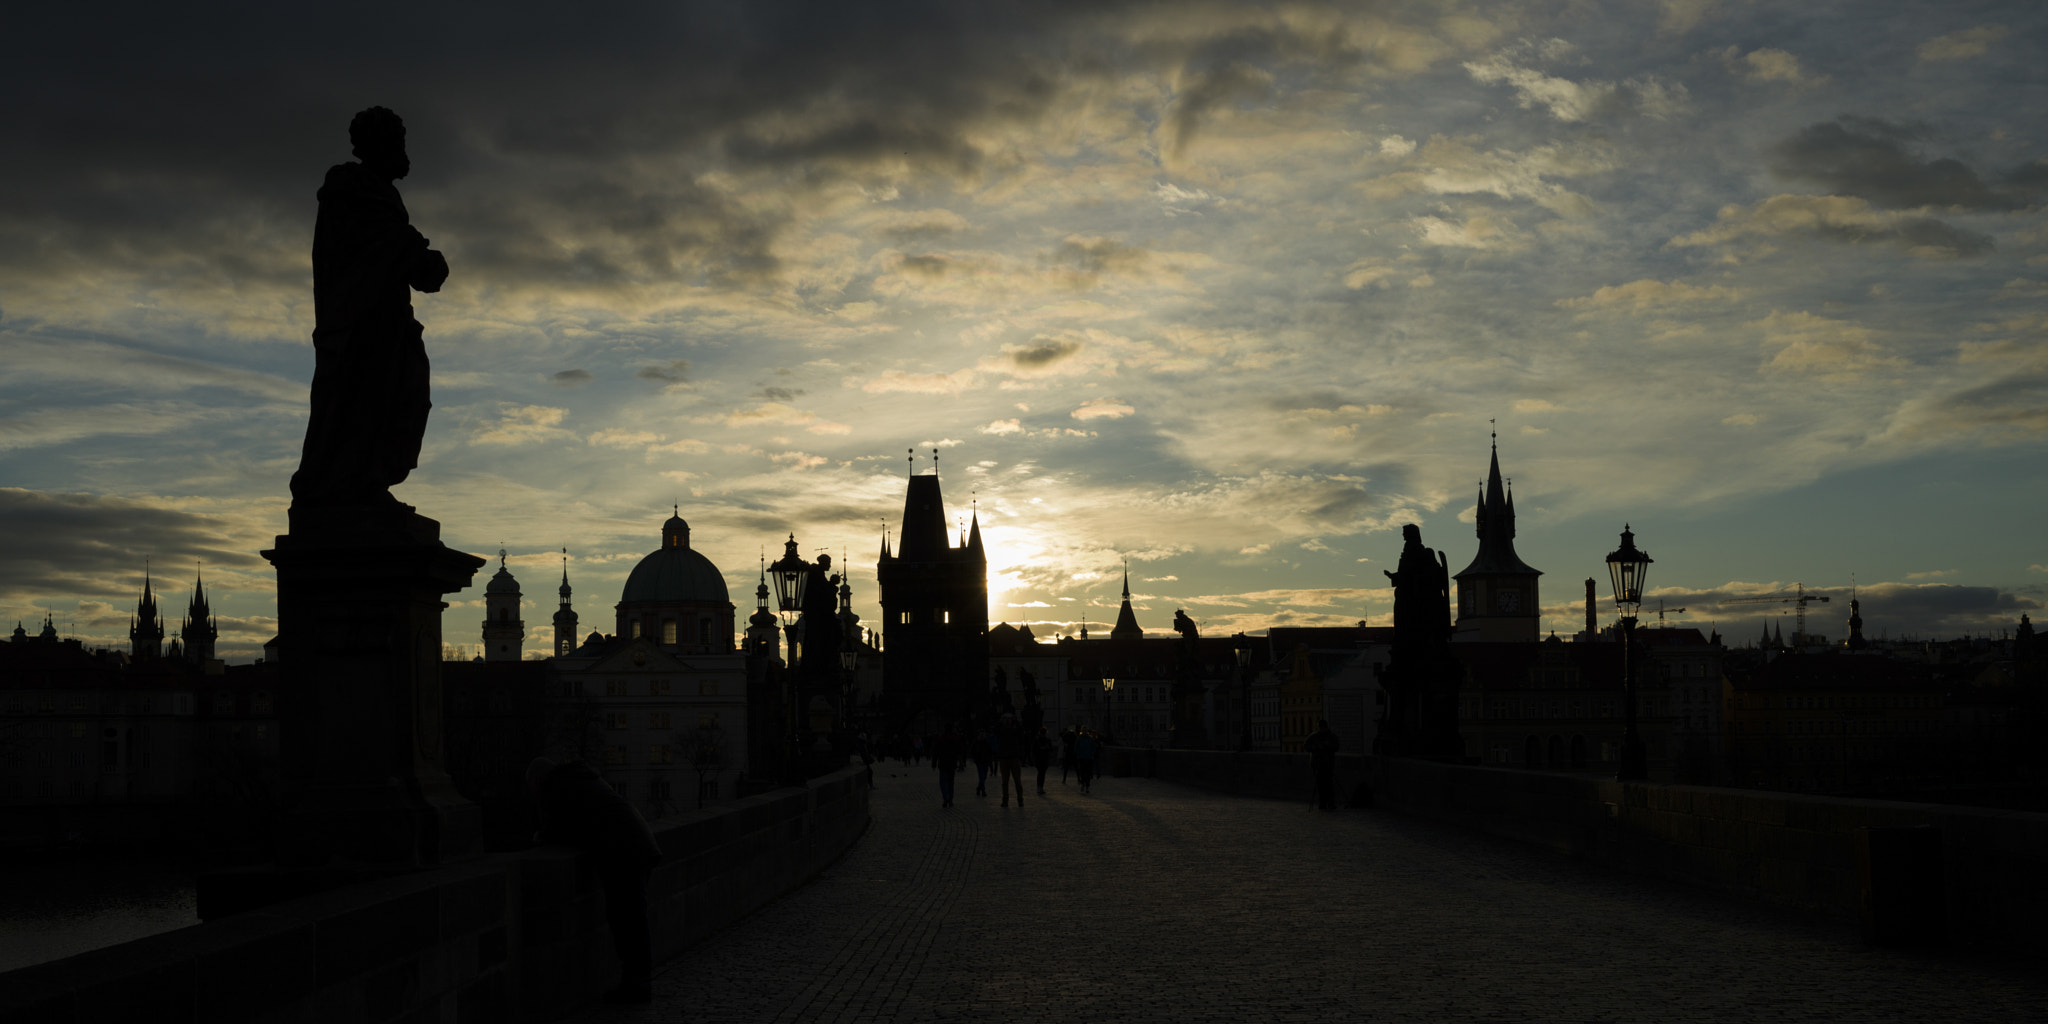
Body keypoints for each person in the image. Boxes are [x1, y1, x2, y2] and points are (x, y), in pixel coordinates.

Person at [292, 106, 450, 511]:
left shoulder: (378, 195)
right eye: (396, 143)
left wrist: (415, 253)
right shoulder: (349, 187)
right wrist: (415, 251)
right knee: (365, 400)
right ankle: (351, 487)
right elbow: (376, 247)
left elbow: (399, 251)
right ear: (377, 146)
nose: (402, 151)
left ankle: (367, 482)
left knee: (405, 395)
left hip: (388, 324)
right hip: (361, 326)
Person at [528, 757, 662, 1004]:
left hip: (623, 850)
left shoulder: (559, 788)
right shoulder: (579, 779)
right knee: (629, 917)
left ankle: (637, 985)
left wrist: (542, 835)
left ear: (538, 781)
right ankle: (637, 982)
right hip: (635, 842)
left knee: (627, 919)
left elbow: (560, 826)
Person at [1305, 719, 1340, 811]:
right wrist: (1315, 748)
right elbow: (1306, 747)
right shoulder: (1313, 737)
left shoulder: (1331, 736)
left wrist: (1327, 747)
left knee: (1328, 783)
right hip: (1317, 763)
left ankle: (1330, 802)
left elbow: (1336, 747)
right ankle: (1323, 802)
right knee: (1320, 784)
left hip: (1328, 763)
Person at [995, 712, 1025, 807]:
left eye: (1009, 719)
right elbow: (996, 731)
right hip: (1005, 757)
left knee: (1016, 780)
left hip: (1013, 757)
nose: (1007, 721)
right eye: (1006, 719)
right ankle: (1006, 800)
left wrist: (1015, 722)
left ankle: (1019, 799)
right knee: (1005, 781)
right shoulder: (1002, 729)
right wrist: (1000, 722)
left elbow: (1021, 733)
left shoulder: (1014, 729)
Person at [932, 722, 964, 808]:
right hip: (952, 763)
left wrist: (934, 763)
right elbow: (960, 751)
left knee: (943, 782)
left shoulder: (940, 738)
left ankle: (945, 797)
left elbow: (935, 751)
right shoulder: (955, 738)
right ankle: (950, 799)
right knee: (950, 782)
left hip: (943, 762)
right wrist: (961, 763)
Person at [1073, 728, 1099, 795]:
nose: (1084, 732)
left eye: (1085, 731)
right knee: (1082, 771)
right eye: (1083, 731)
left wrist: (1092, 754)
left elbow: (1094, 747)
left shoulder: (1090, 739)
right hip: (1081, 757)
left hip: (1088, 758)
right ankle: (1083, 784)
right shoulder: (1079, 738)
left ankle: (1087, 786)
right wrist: (1077, 753)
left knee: (1087, 772)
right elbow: (1076, 747)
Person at [971, 726, 994, 797]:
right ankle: (983, 790)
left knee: (984, 776)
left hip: (985, 761)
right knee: (981, 776)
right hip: (979, 761)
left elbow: (990, 751)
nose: (982, 734)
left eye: (983, 733)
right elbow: (972, 750)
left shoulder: (986, 742)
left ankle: (979, 788)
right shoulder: (976, 742)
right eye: (981, 733)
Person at [1031, 726, 1054, 796]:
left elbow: (1033, 750)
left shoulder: (1038, 740)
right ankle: (1040, 787)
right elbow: (1051, 749)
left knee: (1041, 773)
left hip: (1041, 759)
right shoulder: (1045, 740)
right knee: (1042, 773)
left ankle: (1040, 787)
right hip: (1043, 758)